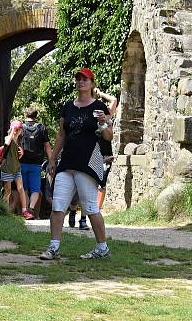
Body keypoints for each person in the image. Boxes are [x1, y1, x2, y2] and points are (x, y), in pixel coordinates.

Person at [39, 67, 114, 261]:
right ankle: (53, 247)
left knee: (90, 207)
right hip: (68, 161)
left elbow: (108, 136)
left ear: (91, 83)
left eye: (85, 79)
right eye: (78, 79)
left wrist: (104, 122)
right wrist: (53, 158)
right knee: (58, 205)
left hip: (88, 161)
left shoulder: (99, 106)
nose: (81, 82)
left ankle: (102, 248)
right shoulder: (68, 107)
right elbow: (61, 135)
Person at [20, 107, 51, 218]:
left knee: (24, 188)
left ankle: (25, 211)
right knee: (35, 190)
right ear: (36, 116)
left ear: (25, 115)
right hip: (36, 164)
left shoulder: (21, 127)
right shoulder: (41, 127)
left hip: (22, 163)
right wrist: (51, 160)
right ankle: (31, 208)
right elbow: (47, 145)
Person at [93, 88, 118, 210]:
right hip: (92, 152)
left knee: (102, 182)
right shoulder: (90, 117)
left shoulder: (107, 116)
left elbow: (114, 99)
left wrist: (100, 93)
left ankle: (97, 209)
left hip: (106, 153)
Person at [0, 120, 30, 217]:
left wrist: (22, 154)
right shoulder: (8, 138)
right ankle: (5, 210)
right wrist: (12, 131)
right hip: (7, 168)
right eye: (16, 129)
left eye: (19, 129)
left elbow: (17, 157)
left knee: (21, 188)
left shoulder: (19, 141)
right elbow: (6, 144)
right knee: (7, 190)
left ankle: (24, 210)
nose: (17, 131)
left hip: (16, 168)